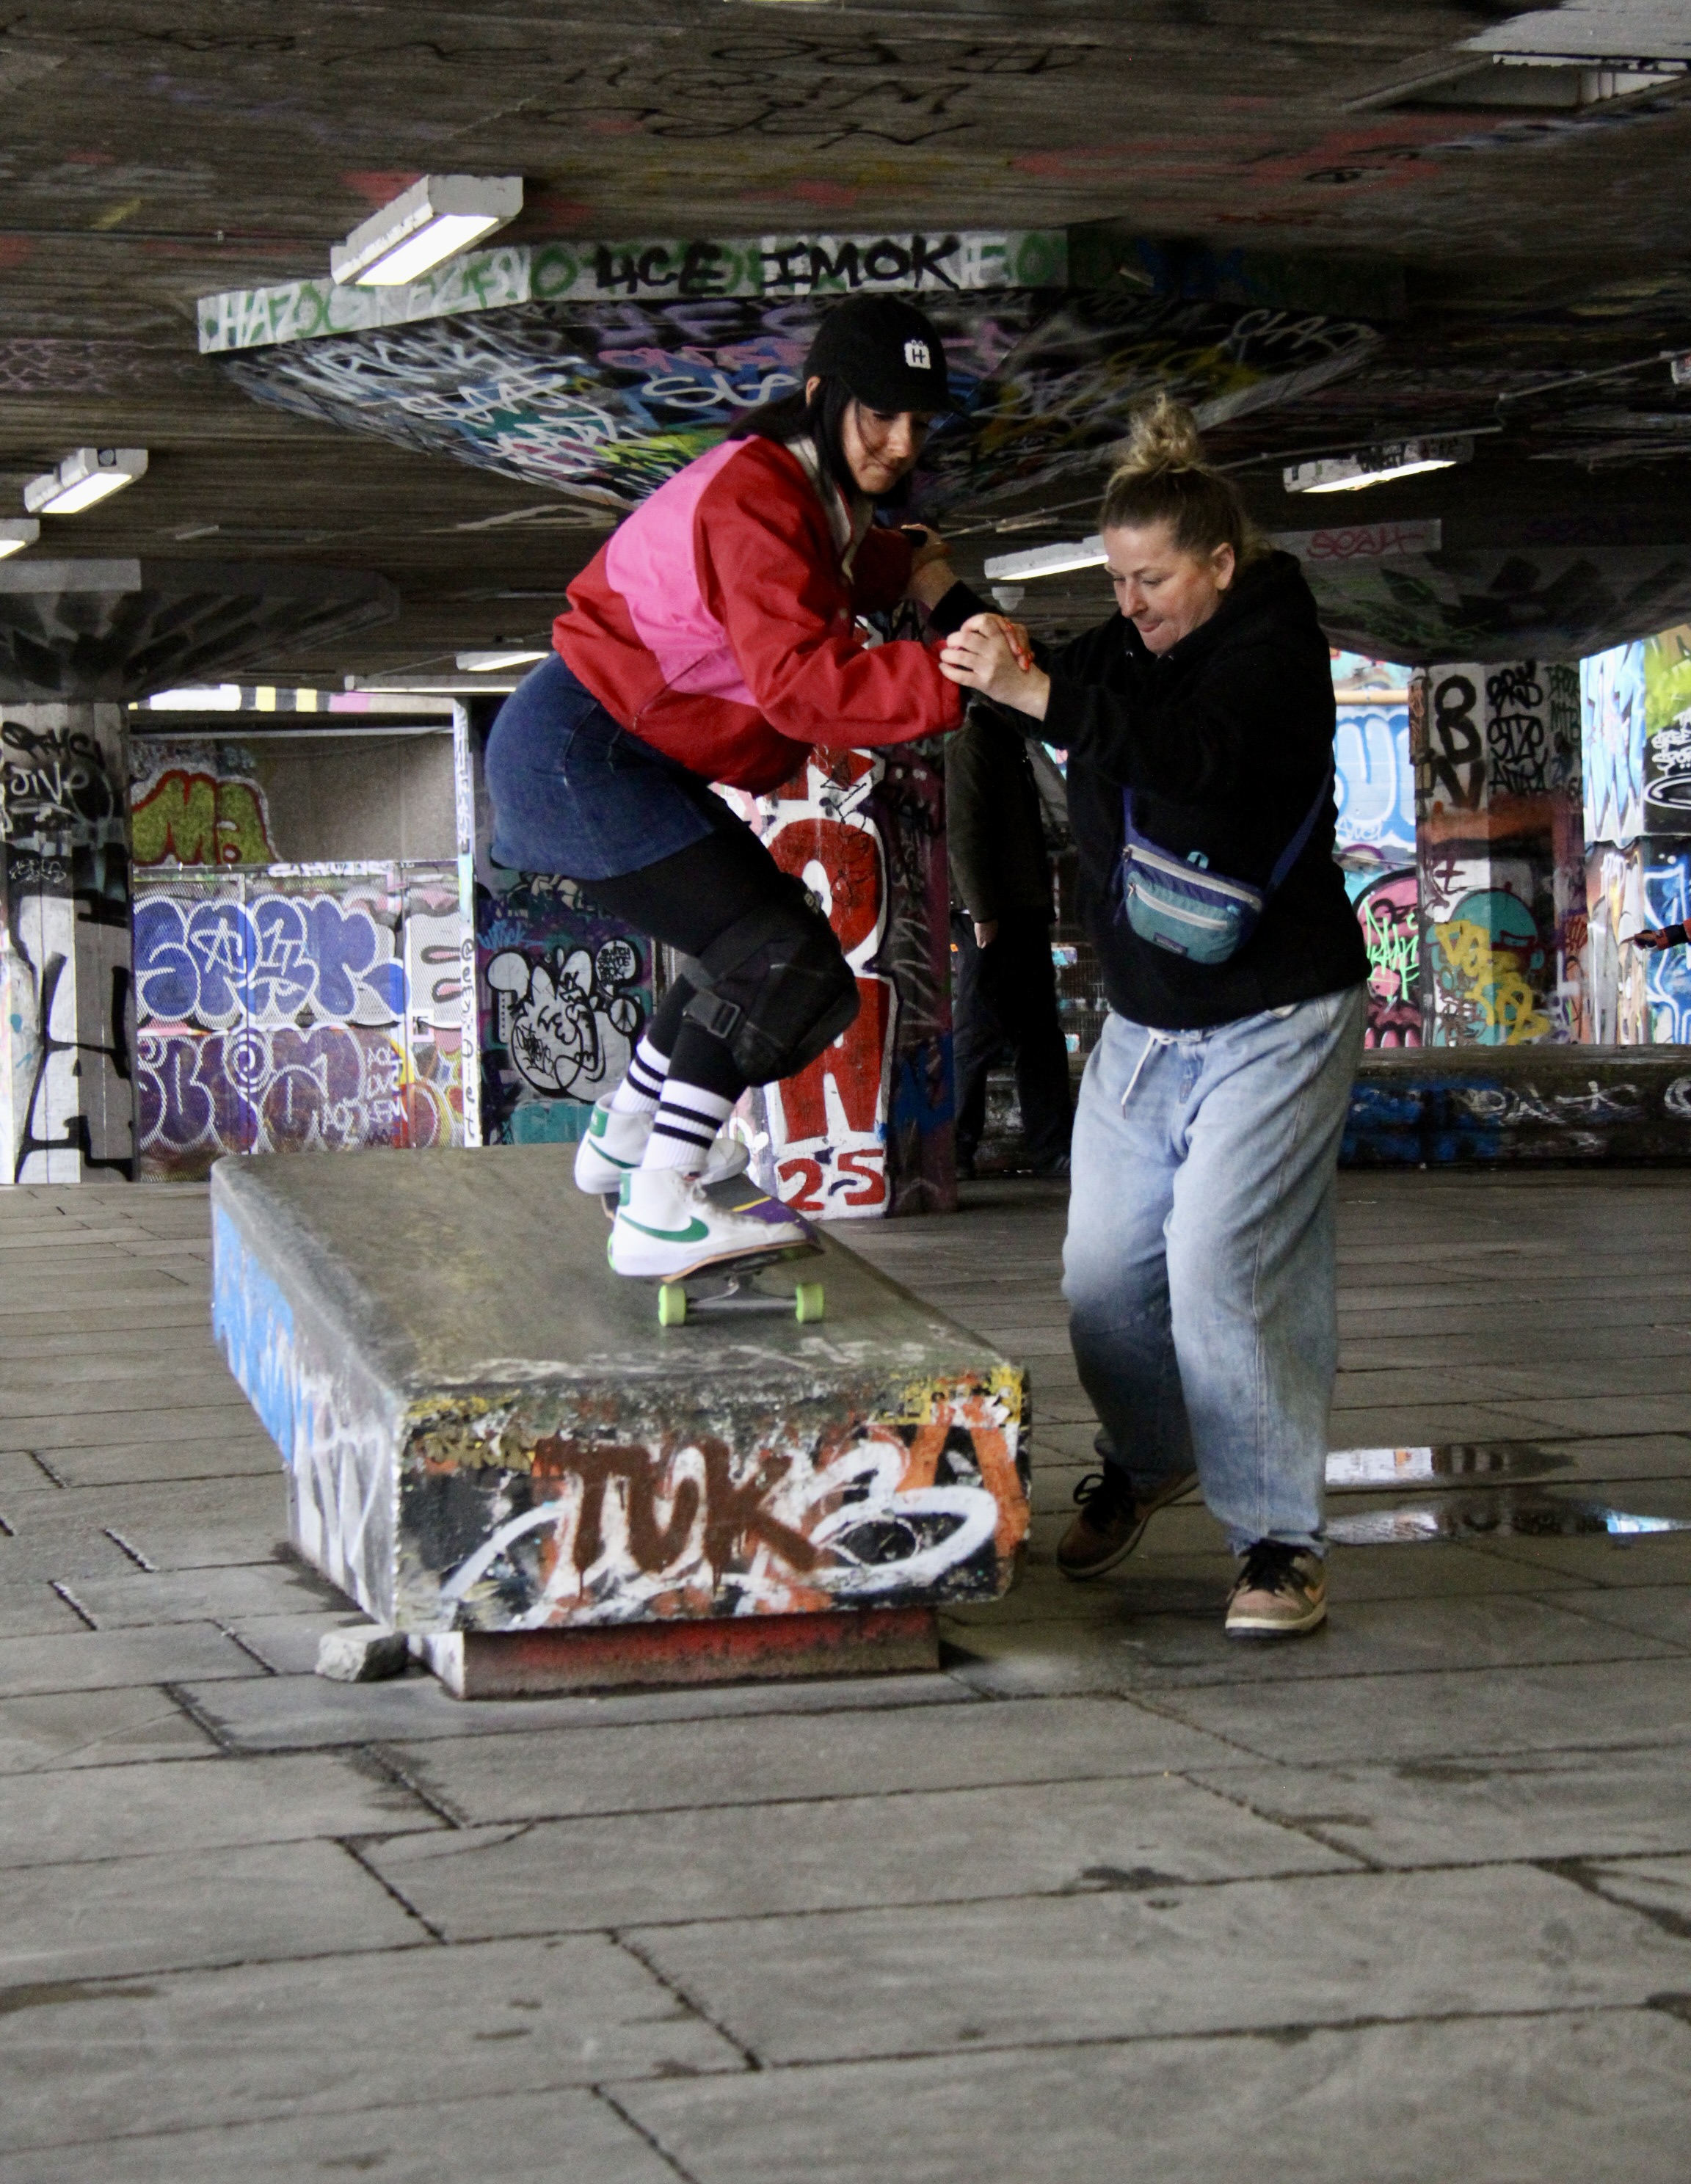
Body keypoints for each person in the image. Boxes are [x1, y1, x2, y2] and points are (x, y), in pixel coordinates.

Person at [939, 395, 1368, 1639]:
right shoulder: (1126, 650)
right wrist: (950, 609)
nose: (1131, 604)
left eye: (1154, 579)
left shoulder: (1274, 658)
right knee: (1101, 1275)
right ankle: (1152, 1452)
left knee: (1223, 1264)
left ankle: (1278, 1542)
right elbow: (1045, 681)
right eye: (1115, 580)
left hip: (1277, 1012)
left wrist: (1040, 693)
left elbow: (1187, 754)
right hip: (1144, 1022)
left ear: (1219, 565)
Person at [484, 294, 983, 1278]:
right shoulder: (758, 498)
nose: (899, 446)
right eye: (878, 417)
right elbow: (803, 686)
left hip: (598, 746)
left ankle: (628, 1140)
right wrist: (957, 677)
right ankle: (661, 1206)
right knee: (778, 961)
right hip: (579, 753)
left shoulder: (802, 491)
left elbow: (832, 569)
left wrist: (911, 565)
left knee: (753, 941)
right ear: (820, 397)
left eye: (918, 424)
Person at [946, 699, 1072, 1176]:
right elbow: (964, 835)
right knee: (978, 1032)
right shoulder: (974, 747)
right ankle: (957, 1150)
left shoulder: (1006, 745)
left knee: (1038, 1036)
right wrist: (982, 911)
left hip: (1019, 912)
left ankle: (1051, 1149)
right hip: (996, 916)